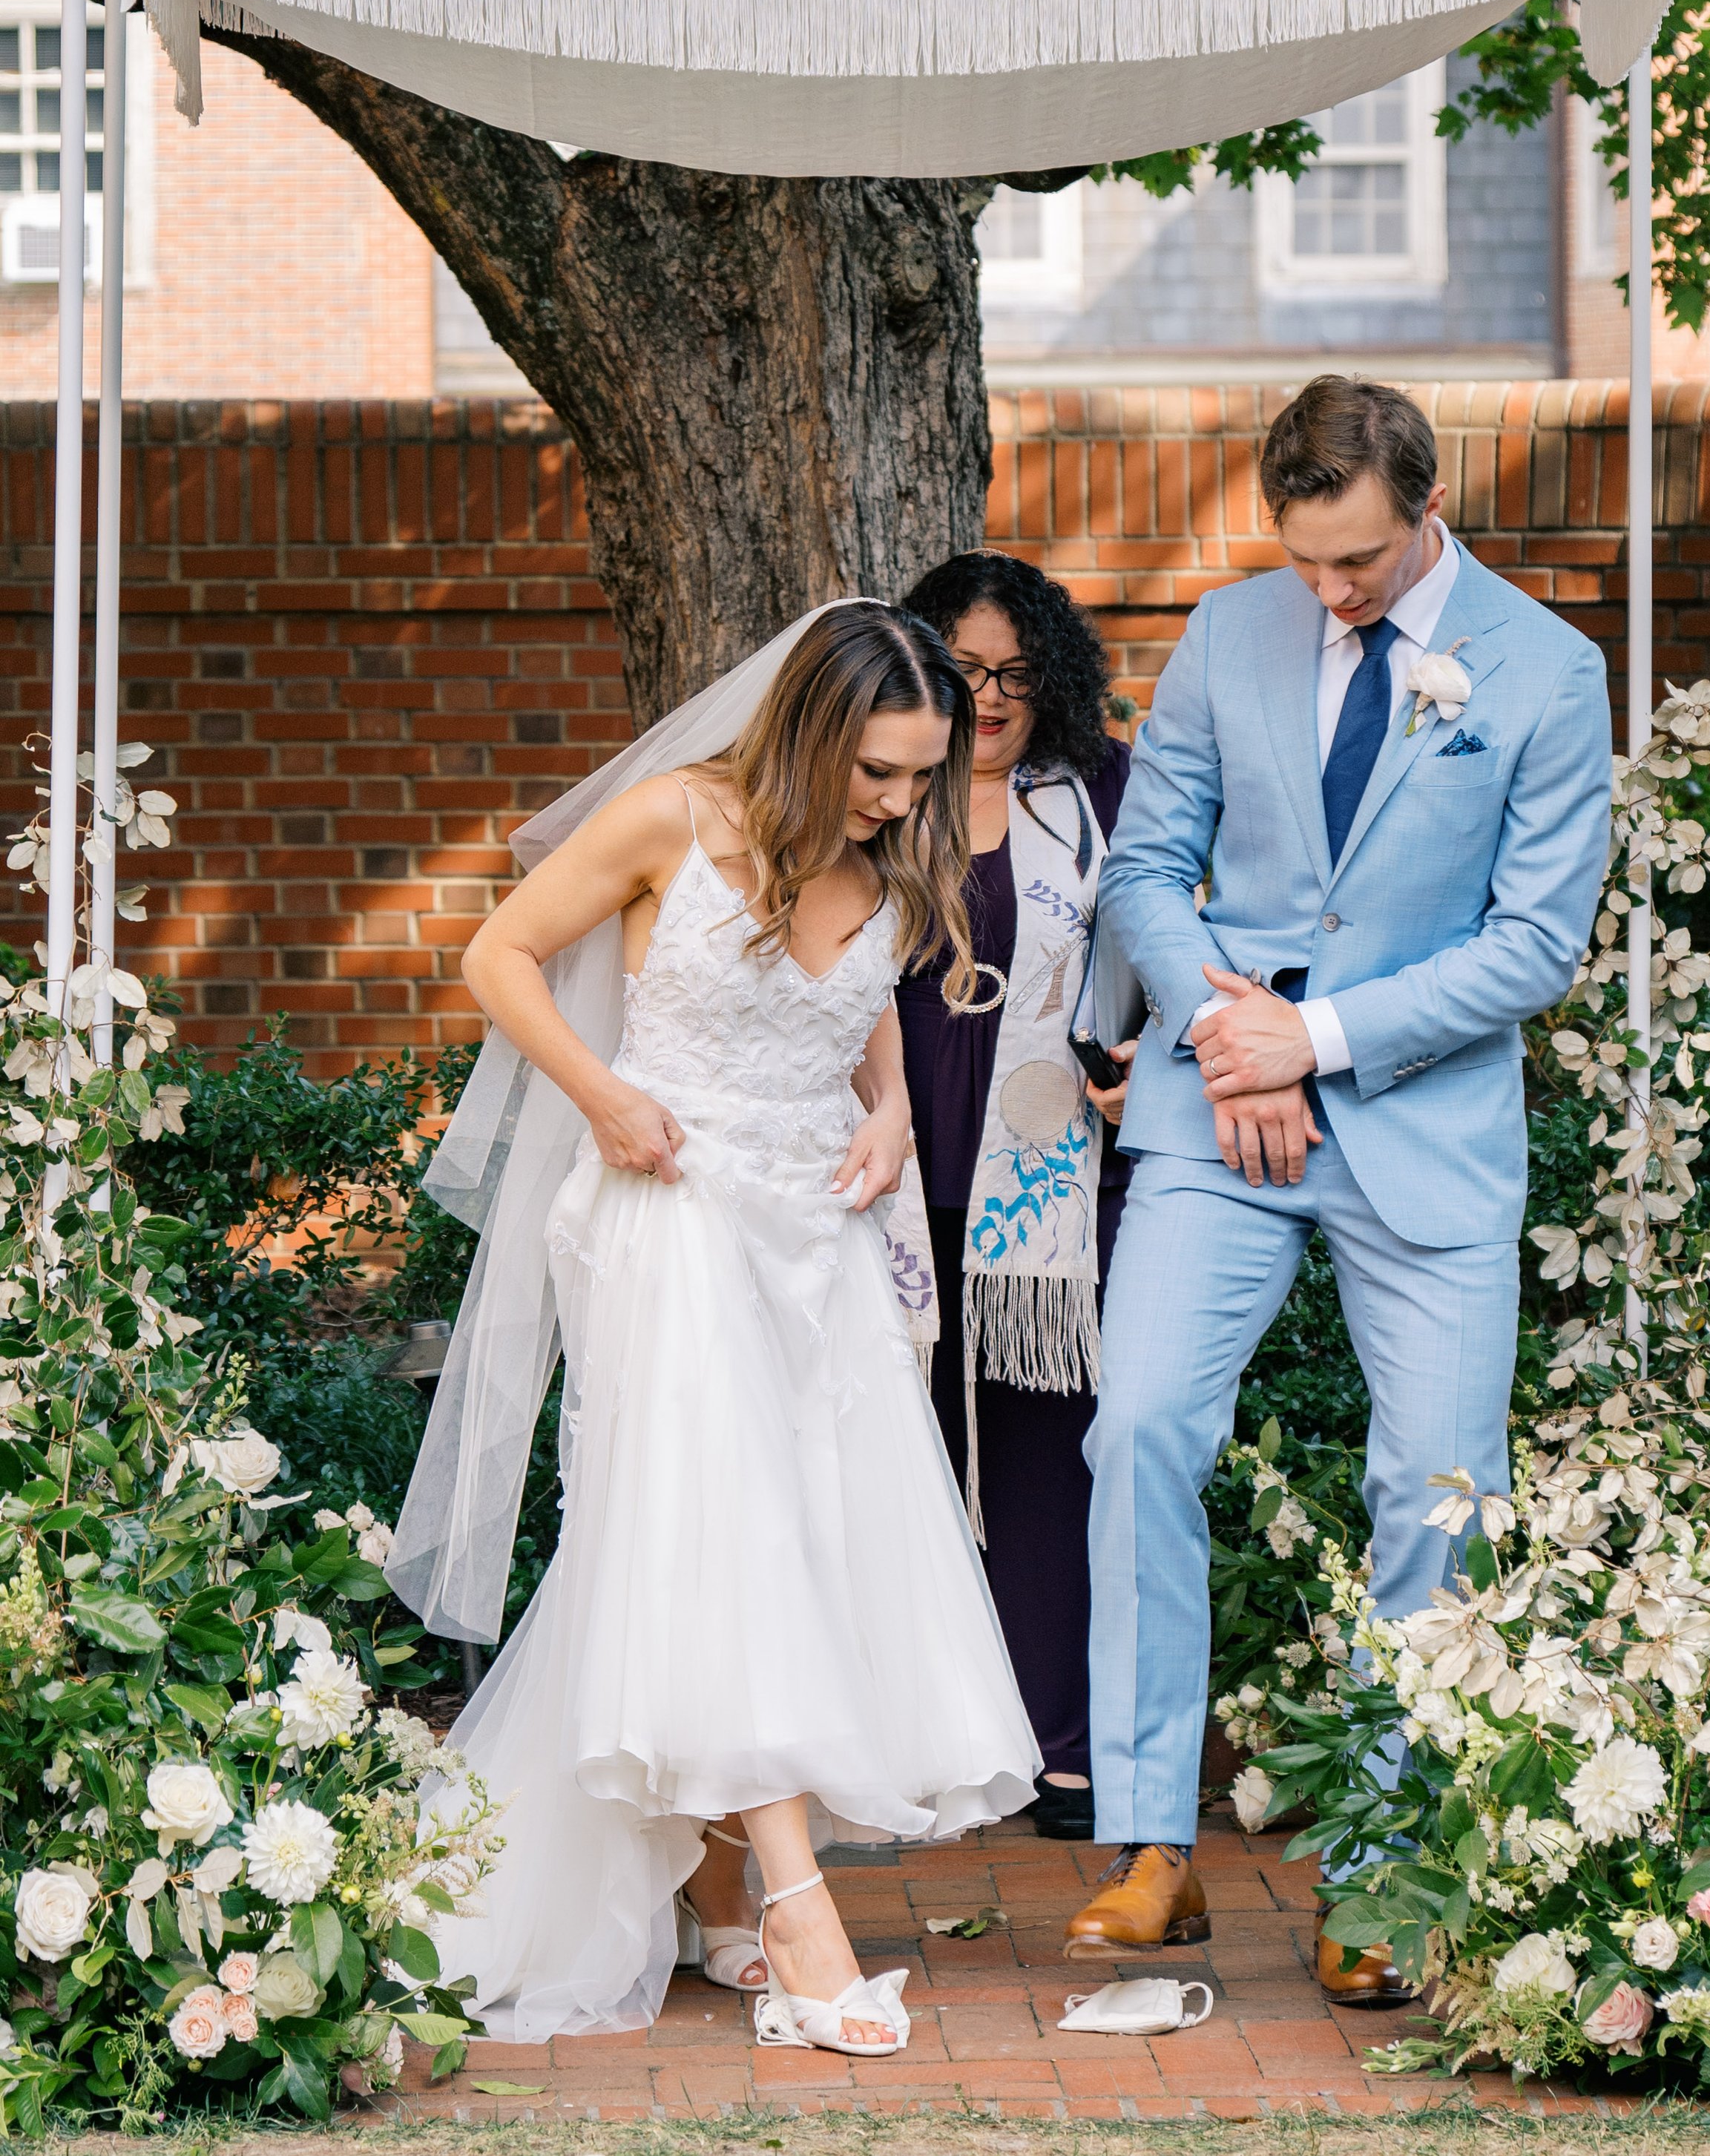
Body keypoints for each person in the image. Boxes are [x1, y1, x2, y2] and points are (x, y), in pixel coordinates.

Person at [387, 602, 1037, 2059]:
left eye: (920, 776)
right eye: (877, 769)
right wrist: (601, 1094)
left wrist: (884, 1120)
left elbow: (860, 1029)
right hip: (666, 1209)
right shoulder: (665, 822)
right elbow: (501, 955)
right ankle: (800, 1917)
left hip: (813, 1232)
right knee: (723, 1526)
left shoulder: (884, 864)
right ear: (810, 730)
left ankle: (723, 1887)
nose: (899, 801)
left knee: (794, 1535)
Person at [1068, 377, 1612, 1996]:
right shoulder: (1227, 636)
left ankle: (1379, 1866)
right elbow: (1145, 871)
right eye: (1305, 562)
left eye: (1360, 562)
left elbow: (1533, 943)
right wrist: (1235, 1028)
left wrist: (1308, 1038)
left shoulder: (1547, 669)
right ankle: (1150, 1844)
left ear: (1424, 506)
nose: (1330, 594)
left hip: (1418, 1133)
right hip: (1212, 1117)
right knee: (1140, 1426)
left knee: (1435, 1490)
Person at [898, 553, 1137, 1845]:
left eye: (1014, 671)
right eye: (962, 669)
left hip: (1050, 1174)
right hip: (892, 1163)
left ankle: (1065, 1742)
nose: (988, 697)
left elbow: (1168, 932)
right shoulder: (878, 778)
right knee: (900, 1453)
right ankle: (919, 1739)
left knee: (1052, 1454)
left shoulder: (1099, 787)